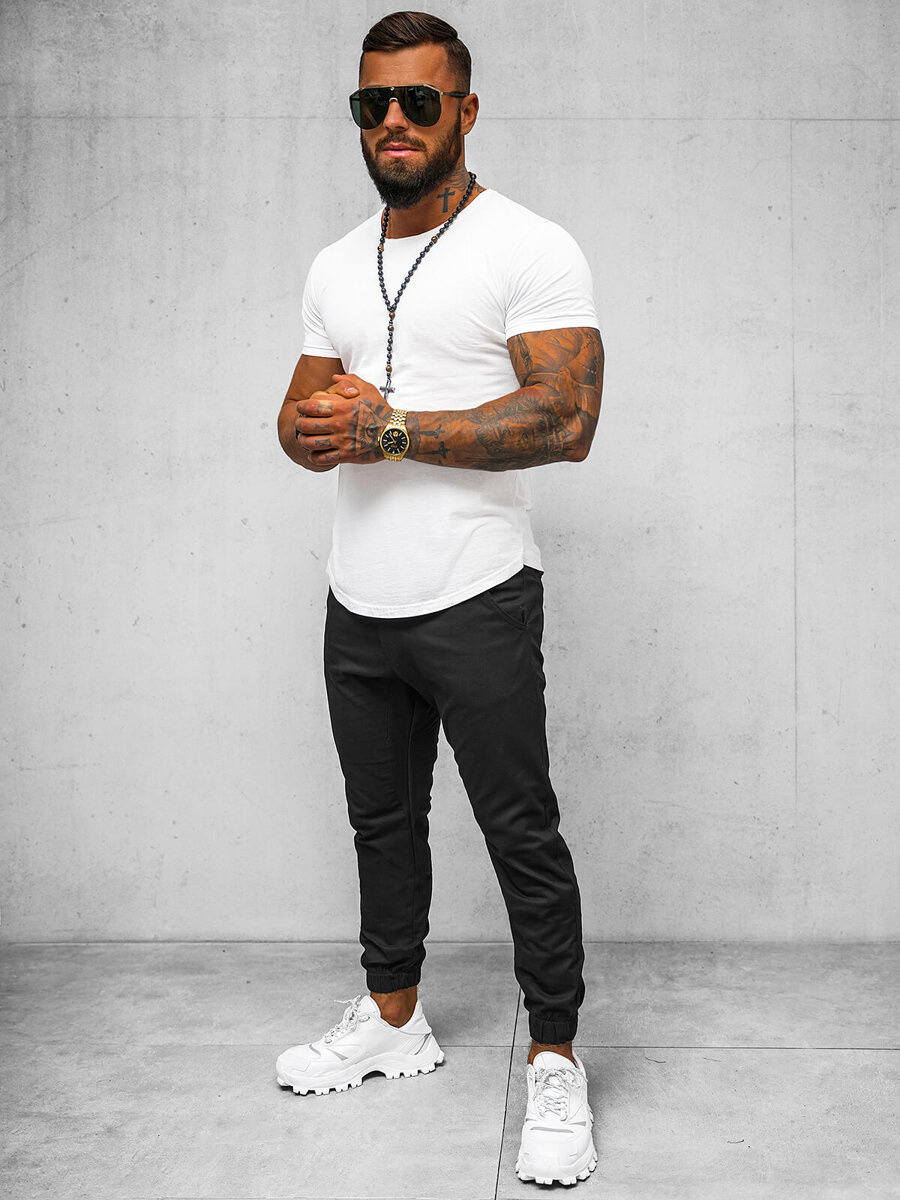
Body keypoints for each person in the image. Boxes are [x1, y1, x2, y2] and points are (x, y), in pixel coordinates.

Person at [275, 10, 604, 1188]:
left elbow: (568, 419)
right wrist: (316, 427)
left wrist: (393, 427)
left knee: (520, 831)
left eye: (419, 101)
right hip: (356, 599)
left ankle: (556, 1058)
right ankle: (392, 1018)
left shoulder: (529, 247)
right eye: (373, 104)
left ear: (465, 111)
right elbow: (295, 418)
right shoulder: (335, 263)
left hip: (477, 595)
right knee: (381, 824)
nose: (395, 122)